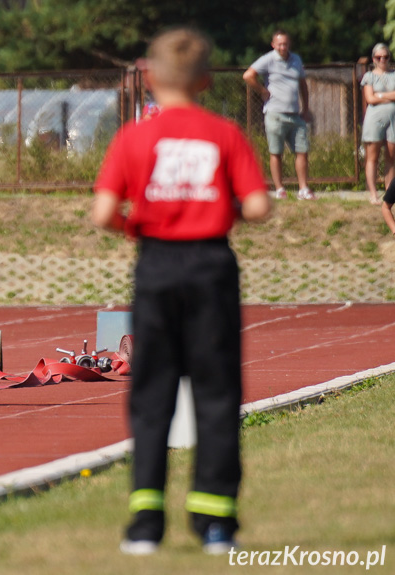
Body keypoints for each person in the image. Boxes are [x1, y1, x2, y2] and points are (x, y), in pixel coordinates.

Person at [91, 27, 271, 555]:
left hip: (157, 266)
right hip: (212, 263)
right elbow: (260, 206)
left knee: (152, 393)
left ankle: (146, 521)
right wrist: (218, 213)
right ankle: (216, 522)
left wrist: (142, 226)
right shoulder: (223, 133)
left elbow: (103, 213)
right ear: (206, 81)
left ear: (148, 76)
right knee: (216, 391)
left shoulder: (133, 136)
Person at [243, 30, 315, 200]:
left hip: (295, 114)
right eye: (279, 44)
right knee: (276, 152)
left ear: (289, 44)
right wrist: (262, 90)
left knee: (302, 151)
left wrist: (305, 109)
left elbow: (303, 84)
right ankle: (279, 189)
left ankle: (303, 188)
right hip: (275, 113)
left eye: (285, 44)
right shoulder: (268, 59)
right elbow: (248, 75)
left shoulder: (296, 59)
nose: (283, 47)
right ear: (273, 45)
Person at [361, 43, 395, 204]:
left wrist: (380, 94)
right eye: (379, 57)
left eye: (385, 57)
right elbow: (370, 98)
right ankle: (373, 193)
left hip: (393, 119)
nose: (382, 60)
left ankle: (389, 192)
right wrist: (389, 95)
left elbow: (377, 97)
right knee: (372, 157)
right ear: (374, 59)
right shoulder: (369, 76)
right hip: (374, 119)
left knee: (391, 156)